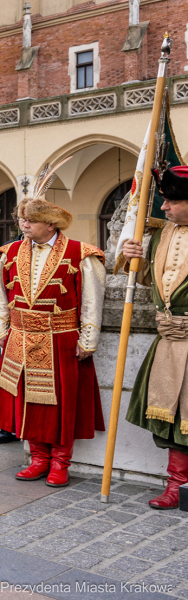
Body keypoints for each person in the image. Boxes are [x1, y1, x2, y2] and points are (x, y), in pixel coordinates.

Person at [0, 196, 105, 488]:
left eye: (31, 221)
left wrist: (88, 340)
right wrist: (1, 332)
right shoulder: (10, 252)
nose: (24, 225)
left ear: (51, 224)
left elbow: (92, 300)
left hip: (60, 339)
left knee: (61, 404)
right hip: (20, 336)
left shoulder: (81, 253)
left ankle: (61, 463)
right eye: (21, 220)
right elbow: (0, 295)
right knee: (26, 399)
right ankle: (38, 458)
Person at [121, 165, 188, 508]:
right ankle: (178, 486)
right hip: (169, 341)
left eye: (171, 201)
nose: (163, 208)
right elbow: (154, 284)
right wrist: (138, 261)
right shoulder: (163, 234)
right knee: (171, 417)